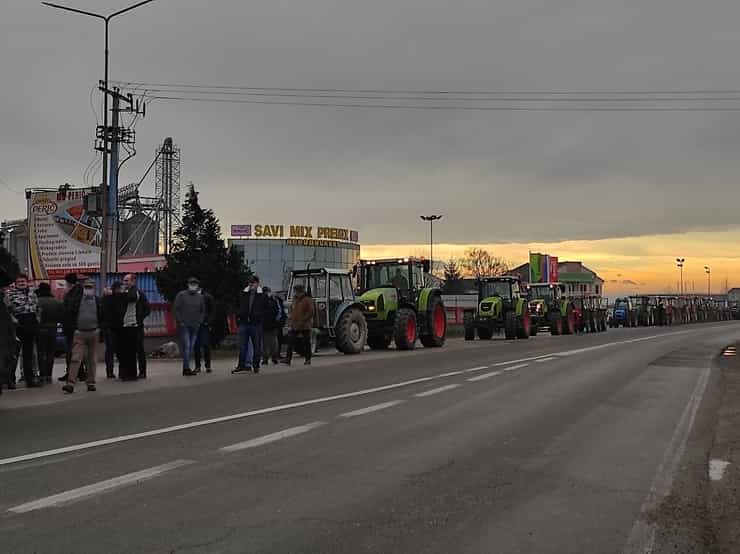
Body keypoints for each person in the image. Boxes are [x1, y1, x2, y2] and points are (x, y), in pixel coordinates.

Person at [62, 281, 102, 393]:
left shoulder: (98, 301)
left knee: (92, 360)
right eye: (86, 287)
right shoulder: (77, 300)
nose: (88, 289)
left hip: (94, 332)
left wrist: (100, 329)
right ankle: (70, 383)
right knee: (75, 358)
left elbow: (103, 315)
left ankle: (91, 383)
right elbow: (69, 313)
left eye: (90, 287)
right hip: (79, 332)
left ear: (94, 288)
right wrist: (73, 329)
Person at [7, 273, 41, 388]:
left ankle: (29, 379)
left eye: (23, 281)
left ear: (27, 282)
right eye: (19, 282)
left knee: (29, 354)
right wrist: (13, 322)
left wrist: (37, 319)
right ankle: (9, 380)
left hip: (31, 323)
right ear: (16, 283)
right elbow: (8, 310)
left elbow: (37, 307)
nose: (22, 283)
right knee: (14, 354)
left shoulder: (32, 293)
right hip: (18, 324)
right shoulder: (10, 294)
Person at [233, 275, 266, 374]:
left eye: (253, 283)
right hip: (244, 323)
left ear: (257, 283)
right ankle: (241, 365)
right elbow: (238, 305)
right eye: (250, 283)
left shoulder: (262, 295)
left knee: (256, 346)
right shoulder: (244, 294)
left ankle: (256, 365)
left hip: (255, 324)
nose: (251, 284)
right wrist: (239, 317)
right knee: (243, 345)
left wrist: (259, 317)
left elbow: (265, 309)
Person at [174, 277, 205, 376]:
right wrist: (180, 321)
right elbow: (176, 309)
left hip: (195, 326)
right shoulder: (181, 295)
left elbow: (203, 311)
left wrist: (200, 322)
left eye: (195, 284)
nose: (193, 285)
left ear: (198, 286)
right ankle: (186, 369)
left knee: (191, 347)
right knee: (187, 346)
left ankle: (186, 367)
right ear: (188, 285)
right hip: (185, 325)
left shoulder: (200, 297)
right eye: (191, 283)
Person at [122, 274, 151, 379]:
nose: (125, 283)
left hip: (137, 325)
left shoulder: (139, 293)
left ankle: (142, 371)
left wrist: (140, 318)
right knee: (128, 349)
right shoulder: (124, 293)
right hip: (126, 325)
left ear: (133, 281)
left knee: (139, 349)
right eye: (124, 281)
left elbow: (147, 308)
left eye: (127, 281)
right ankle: (128, 372)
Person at [36, 282, 64, 384]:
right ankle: (49, 374)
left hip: (40, 329)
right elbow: (61, 316)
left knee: (41, 353)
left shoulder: (37, 301)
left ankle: (42, 374)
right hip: (53, 329)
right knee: (50, 353)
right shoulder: (57, 302)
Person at [283, 283, 315, 366]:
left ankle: (308, 359)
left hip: (305, 325)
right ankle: (288, 359)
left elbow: (311, 312)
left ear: (300, 291)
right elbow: (293, 310)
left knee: (306, 342)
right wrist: (291, 320)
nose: (294, 293)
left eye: (295, 291)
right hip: (295, 324)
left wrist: (303, 320)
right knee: (290, 341)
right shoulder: (295, 299)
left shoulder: (307, 299)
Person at [60, 273, 84, 382]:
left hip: (74, 326)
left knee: (73, 350)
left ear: (69, 283)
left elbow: (71, 308)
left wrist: (66, 296)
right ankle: (75, 372)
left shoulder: (75, 293)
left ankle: (74, 373)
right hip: (72, 326)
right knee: (74, 350)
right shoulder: (76, 292)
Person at [101, 282, 123, 379]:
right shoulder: (120, 298)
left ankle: (109, 372)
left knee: (109, 351)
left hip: (108, 328)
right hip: (116, 328)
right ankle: (121, 371)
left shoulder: (106, 299)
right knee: (118, 350)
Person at [194, 287, 215, 373]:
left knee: (206, 344)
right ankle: (197, 366)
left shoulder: (207, 297)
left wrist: (208, 322)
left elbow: (212, 311)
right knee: (196, 346)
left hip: (204, 325)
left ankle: (208, 366)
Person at [261, 286, 282, 366]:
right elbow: (279, 311)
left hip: (264, 323)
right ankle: (274, 358)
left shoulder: (261, 299)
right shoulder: (274, 299)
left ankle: (265, 359)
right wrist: (276, 320)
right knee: (273, 341)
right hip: (273, 323)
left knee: (265, 343)